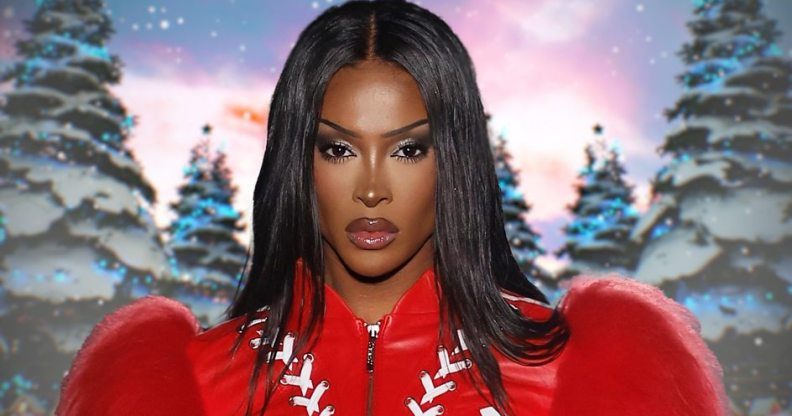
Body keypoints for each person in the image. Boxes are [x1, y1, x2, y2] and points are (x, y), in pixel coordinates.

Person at [55, 1, 729, 415]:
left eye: (407, 151)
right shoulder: (185, 384)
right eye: (338, 150)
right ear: (298, 160)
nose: (372, 188)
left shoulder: (585, 374)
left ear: (455, 159)